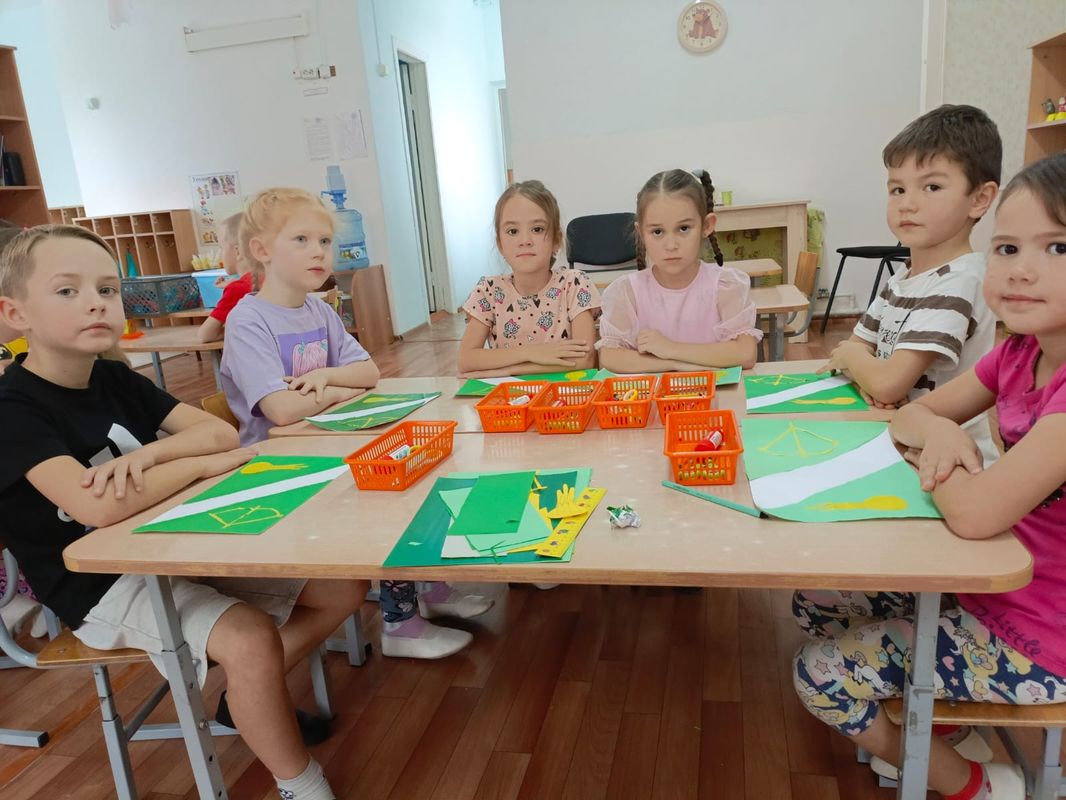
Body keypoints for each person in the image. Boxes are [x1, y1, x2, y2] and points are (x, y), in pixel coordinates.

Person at [0, 224, 365, 799]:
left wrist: (153, 458)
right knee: (250, 640)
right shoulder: (13, 408)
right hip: (99, 584)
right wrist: (195, 466)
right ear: (14, 313)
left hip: (170, 539)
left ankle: (241, 694)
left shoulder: (115, 377)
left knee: (343, 586)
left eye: (107, 289)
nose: (96, 302)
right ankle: (301, 783)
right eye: (67, 290)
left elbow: (220, 434)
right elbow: (96, 505)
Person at [794, 154, 1066, 800]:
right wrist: (940, 434)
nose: (1021, 269)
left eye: (1058, 247)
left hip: (1040, 637)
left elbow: (972, 514)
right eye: (1008, 247)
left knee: (817, 674)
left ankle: (975, 785)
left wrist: (934, 446)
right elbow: (910, 416)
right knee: (815, 600)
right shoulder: (1018, 353)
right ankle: (942, 728)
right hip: (991, 582)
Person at [820, 104, 1001, 465]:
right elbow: (855, 349)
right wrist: (867, 373)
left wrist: (863, 368)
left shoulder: (959, 282)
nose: (908, 204)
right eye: (897, 189)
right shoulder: (904, 278)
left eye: (932, 186)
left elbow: (878, 375)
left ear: (979, 199)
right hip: (900, 442)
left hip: (950, 464)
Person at [597, 169, 760, 373]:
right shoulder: (627, 291)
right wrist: (674, 365)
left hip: (716, 392)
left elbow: (745, 353)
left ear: (707, 226)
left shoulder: (724, 285)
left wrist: (670, 348)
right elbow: (609, 357)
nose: (671, 245)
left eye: (683, 228)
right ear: (641, 233)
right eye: (657, 232)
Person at [458, 180, 600, 378]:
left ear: (556, 239)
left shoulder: (575, 284)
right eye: (512, 231)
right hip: (509, 395)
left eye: (537, 229)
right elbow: (466, 360)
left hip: (565, 392)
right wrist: (532, 353)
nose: (525, 241)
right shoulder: (489, 290)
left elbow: (585, 360)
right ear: (500, 244)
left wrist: (510, 370)